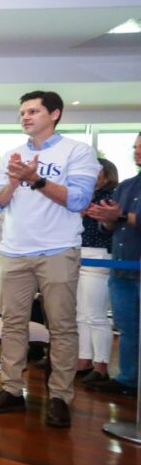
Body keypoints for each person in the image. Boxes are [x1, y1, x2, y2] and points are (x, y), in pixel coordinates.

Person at [0, 91, 100, 428]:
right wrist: (16, 180)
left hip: (58, 249)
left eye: (33, 111)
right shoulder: (10, 156)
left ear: (55, 114)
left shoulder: (78, 152)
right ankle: (11, 390)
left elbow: (77, 200)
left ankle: (60, 396)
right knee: (12, 323)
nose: (26, 117)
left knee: (61, 326)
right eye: (22, 112)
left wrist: (36, 179)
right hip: (14, 251)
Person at [84, 133, 141, 398]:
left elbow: (122, 217)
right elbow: (108, 226)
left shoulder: (114, 187)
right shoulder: (127, 186)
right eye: (135, 147)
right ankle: (128, 379)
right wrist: (106, 218)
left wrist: (119, 215)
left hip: (131, 263)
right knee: (126, 326)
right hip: (121, 267)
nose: (136, 152)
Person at [74, 158, 118, 382]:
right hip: (79, 254)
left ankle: (101, 365)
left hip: (100, 255)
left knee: (96, 314)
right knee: (81, 313)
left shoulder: (111, 195)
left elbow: (110, 227)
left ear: (106, 173)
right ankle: (84, 359)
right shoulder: (83, 194)